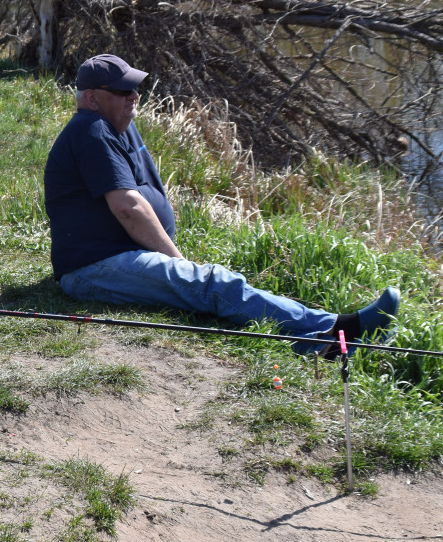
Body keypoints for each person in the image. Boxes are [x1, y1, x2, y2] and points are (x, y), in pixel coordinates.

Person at [44, 53, 400, 356]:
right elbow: (128, 207)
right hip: (92, 269)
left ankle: (320, 339)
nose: (134, 96)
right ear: (91, 98)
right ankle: (342, 332)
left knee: (208, 284)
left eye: (135, 88)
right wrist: (177, 264)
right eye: (123, 90)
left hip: (119, 255)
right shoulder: (90, 130)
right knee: (213, 283)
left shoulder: (117, 124)